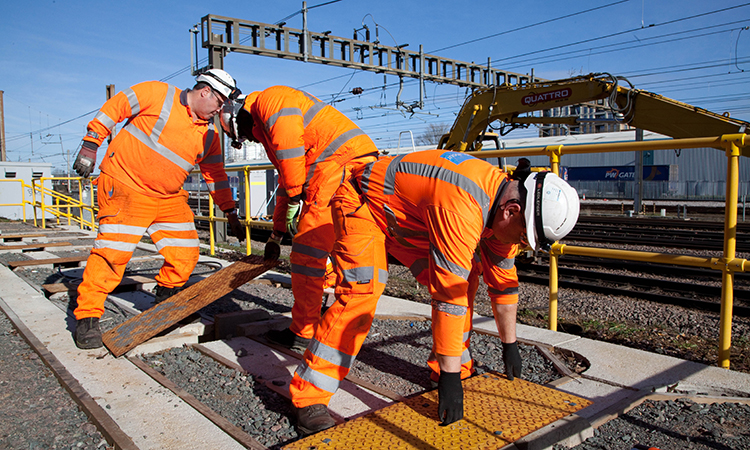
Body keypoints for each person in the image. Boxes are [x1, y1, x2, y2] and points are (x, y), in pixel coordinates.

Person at [288, 149, 580, 434]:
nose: (521, 245)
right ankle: (310, 397)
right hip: (362, 205)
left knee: (469, 275)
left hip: (404, 217)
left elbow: (503, 282)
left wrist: (510, 344)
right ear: (512, 211)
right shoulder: (462, 206)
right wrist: (450, 383)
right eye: (523, 238)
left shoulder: (501, 199)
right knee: (362, 290)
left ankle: (454, 365)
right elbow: (448, 297)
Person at [71, 69, 245, 350]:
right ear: (205, 92)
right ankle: (88, 316)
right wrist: (91, 146)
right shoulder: (156, 94)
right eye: (219, 103)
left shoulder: (209, 136)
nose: (219, 111)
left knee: (185, 253)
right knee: (112, 255)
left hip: (167, 198)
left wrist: (230, 211)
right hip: (126, 185)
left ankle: (165, 305)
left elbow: (215, 175)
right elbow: (114, 109)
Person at [219, 85, 379, 350]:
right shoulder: (269, 122)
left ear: (240, 115)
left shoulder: (271, 100)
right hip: (346, 163)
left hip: (335, 165)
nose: (249, 139)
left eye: (244, 135)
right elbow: (287, 178)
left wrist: (295, 196)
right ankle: (336, 315)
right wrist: (277, 233)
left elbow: (291, 166)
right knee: (343, 244)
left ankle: (304, 331)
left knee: (307, 252)